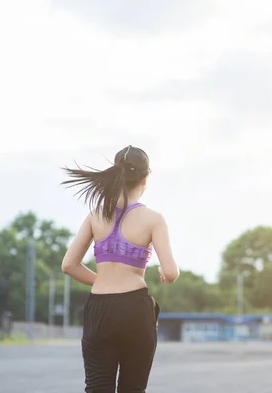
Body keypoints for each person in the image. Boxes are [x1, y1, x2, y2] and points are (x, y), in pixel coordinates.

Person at [60, 145, 179, 392]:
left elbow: (69, 265)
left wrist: (104, 281)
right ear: (146, 177)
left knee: (97, 387)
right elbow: (170, 272)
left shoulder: (95, 215)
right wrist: (164, 275)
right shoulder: (153, 219)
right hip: (135, 309)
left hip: (99, 308)